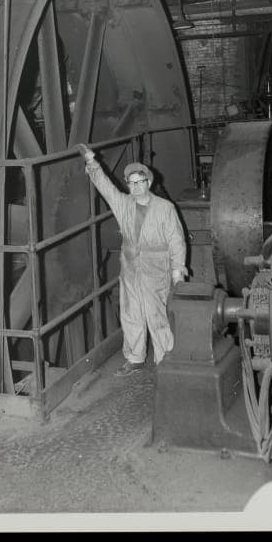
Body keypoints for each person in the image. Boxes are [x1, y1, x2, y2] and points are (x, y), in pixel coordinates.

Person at [75, 143, 188, 376]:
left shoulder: (165, 208)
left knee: (156, 313)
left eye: (140, 182)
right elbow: (105, 187)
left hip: (156, 268)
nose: (136, 187)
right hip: (130, 267)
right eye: (131, 183)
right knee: (131, 313)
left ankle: (164, 358)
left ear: (149, 182)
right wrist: (91, 162)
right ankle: (135, 358)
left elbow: (177, 240)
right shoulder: (124, 203)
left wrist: (178, 269)